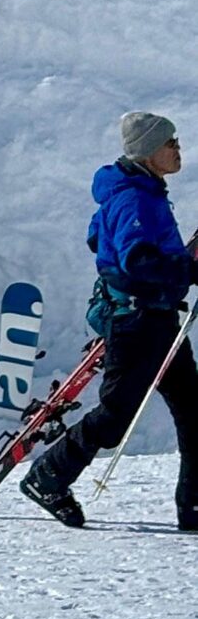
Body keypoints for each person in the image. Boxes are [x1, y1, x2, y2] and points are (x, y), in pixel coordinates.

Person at [24, 111, 198, 529]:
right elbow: (137, 262)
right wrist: (188, 271)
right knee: (115, 418)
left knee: (195, 411)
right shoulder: (133, 197)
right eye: (170, 143)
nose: (178, 149)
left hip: (158, 320)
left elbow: (101, 240)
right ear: (148, 151)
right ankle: (47, 477)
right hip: (138, 324)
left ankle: (193, 506)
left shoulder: (145, 191)